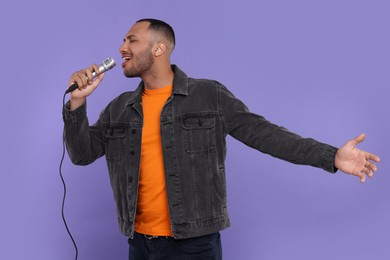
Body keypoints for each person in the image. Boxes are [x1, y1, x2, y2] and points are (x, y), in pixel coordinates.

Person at [63, 18, 381, 260]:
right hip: (139, 244)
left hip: (195, 244)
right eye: (123, 41)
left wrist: (331, 156)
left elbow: (265, 134)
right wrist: (77, 104)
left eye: (131, 40)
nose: (122, 48)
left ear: (158, 48)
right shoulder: (120, 107)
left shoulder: (208, 95)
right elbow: (81, 154)